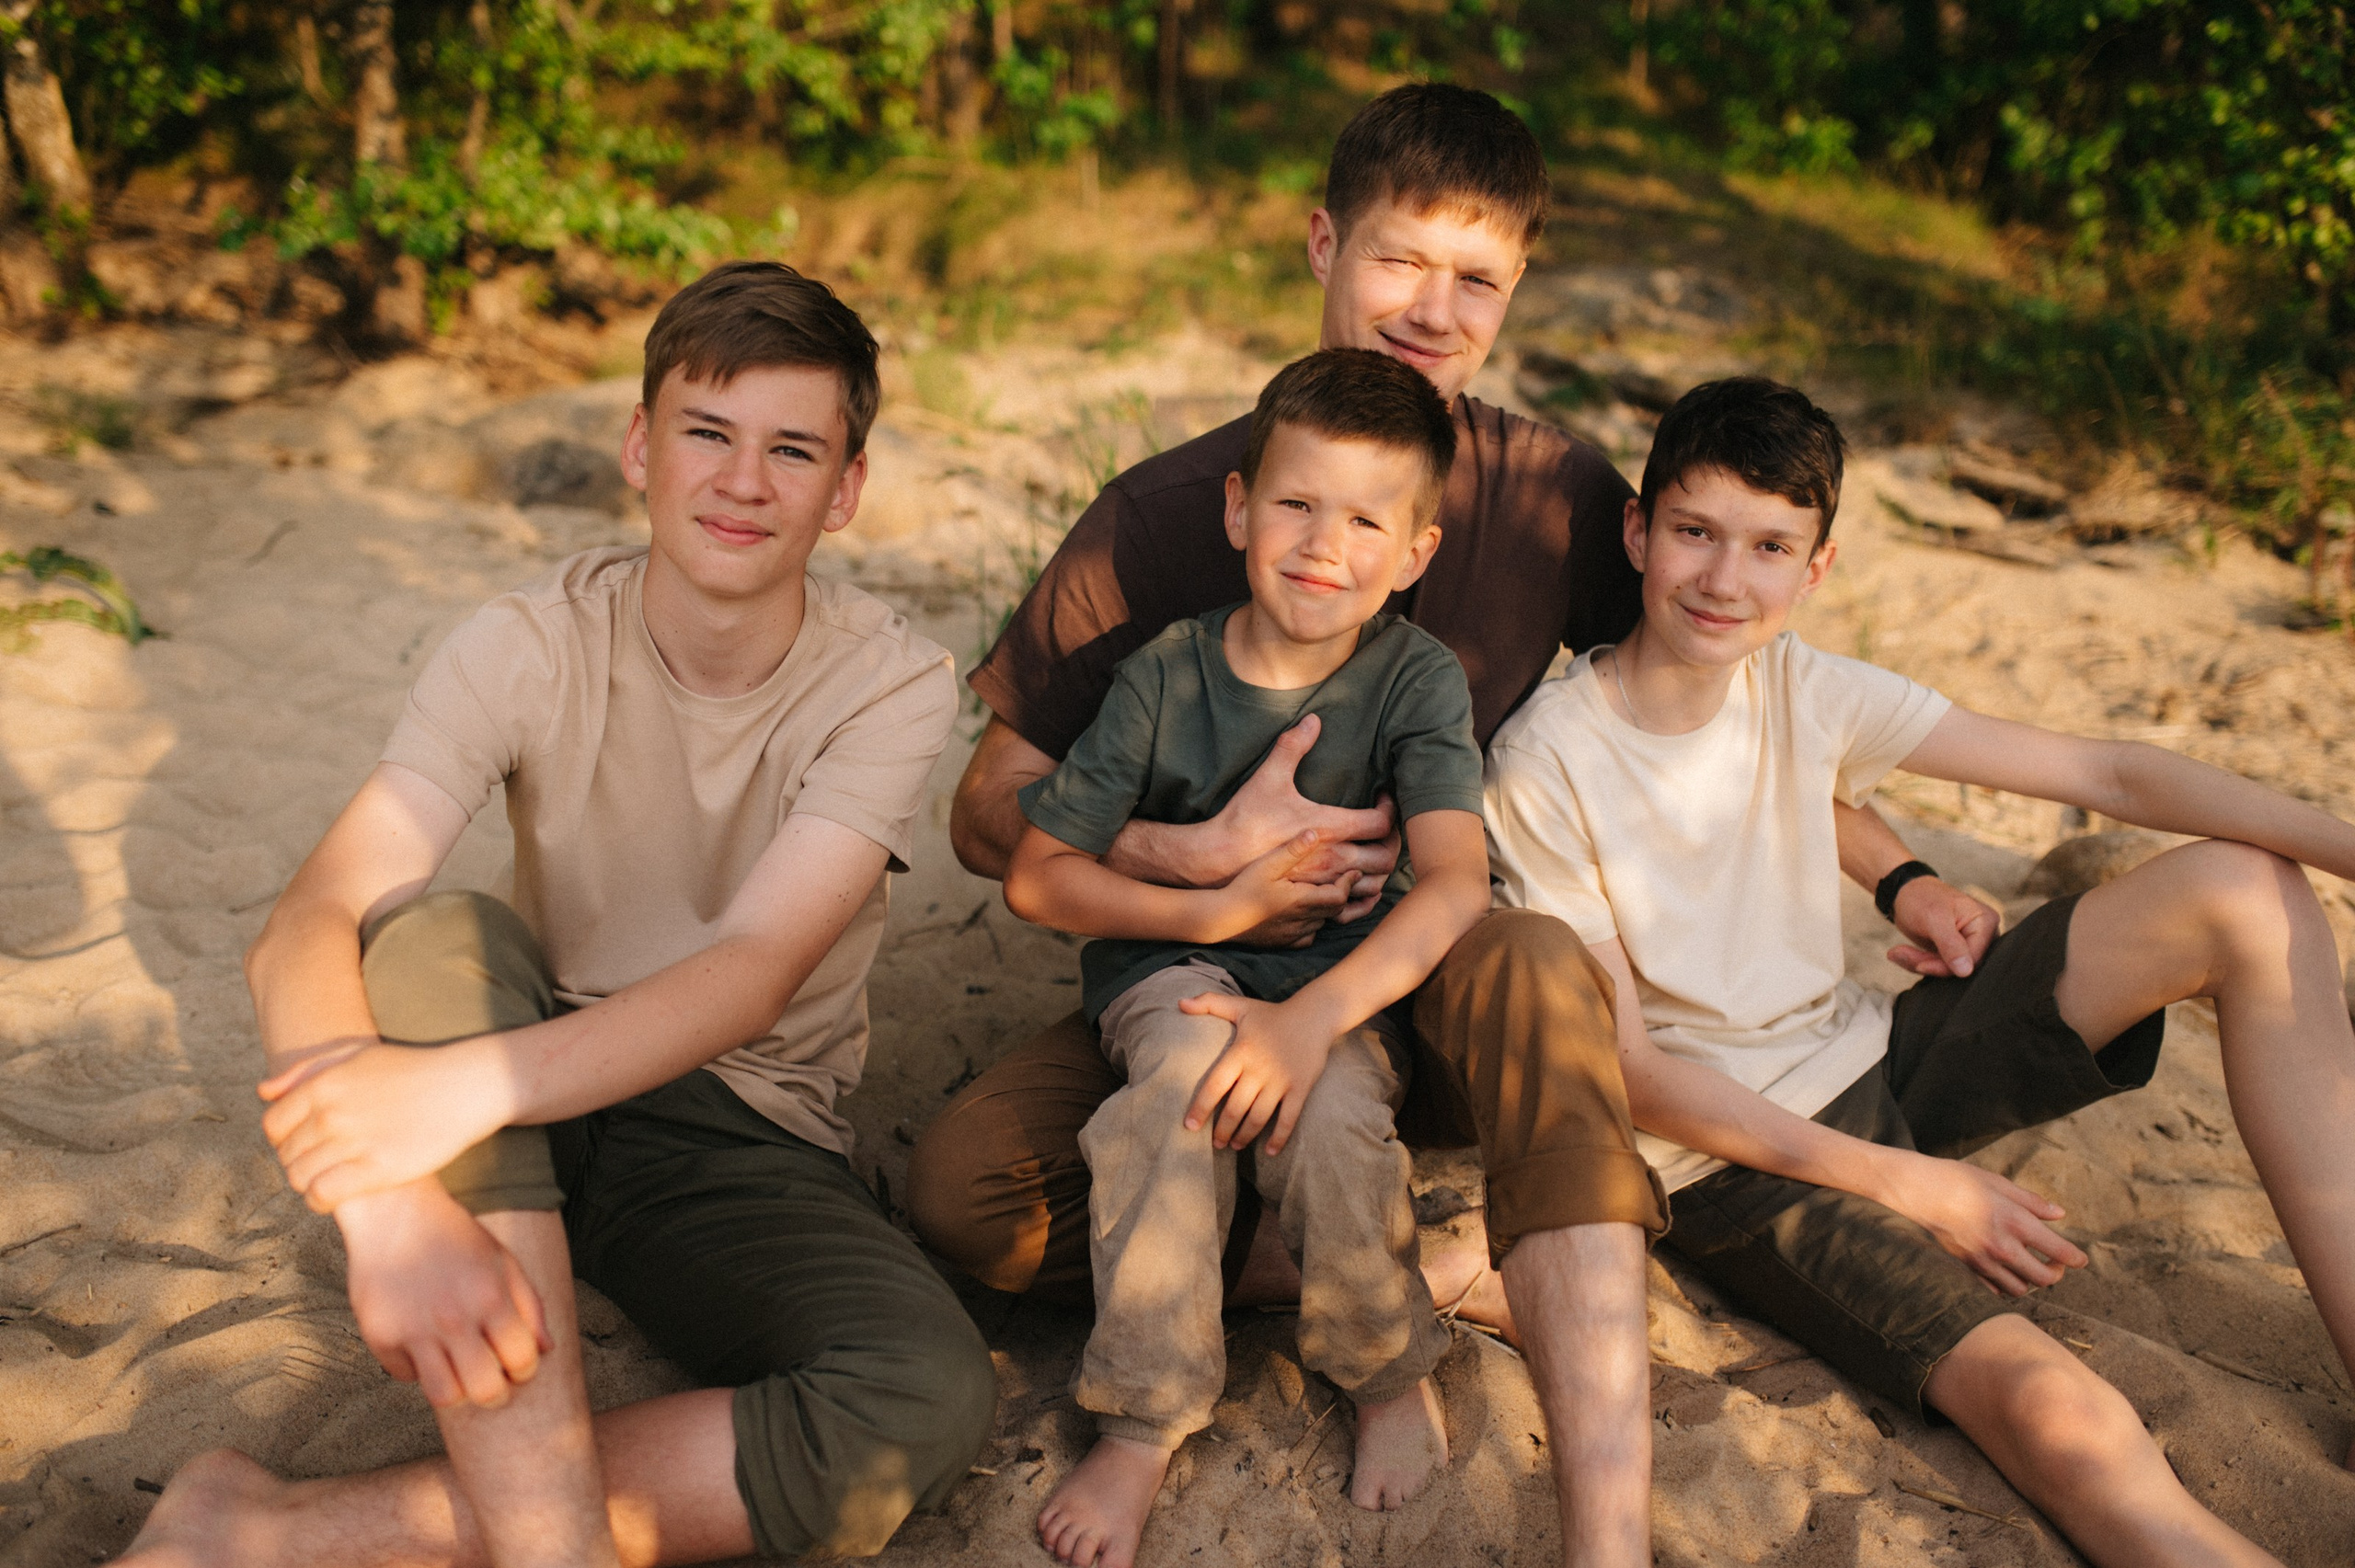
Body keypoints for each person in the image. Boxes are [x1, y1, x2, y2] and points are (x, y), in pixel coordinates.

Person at [906, 82, 1998, 1566]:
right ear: (1321, 246)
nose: (1433, 309)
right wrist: (1196, 861)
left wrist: (1900, 861)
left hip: (1437, 972)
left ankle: (1535, 1306)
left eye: (1476, 278)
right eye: (1401, 260)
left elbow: (1708, 672)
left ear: (1516, 292)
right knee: (967, 1196)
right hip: (1199, 969)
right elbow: (991, 813)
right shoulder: (1171, 516)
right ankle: (1371, 1257)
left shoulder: (1549, 494)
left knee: (1535, 954)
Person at [121, 260, 997, 1568]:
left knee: (927, 1392)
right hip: (521, 1108)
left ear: (846, 487)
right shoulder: (526, 642)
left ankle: (272, 1528)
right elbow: (308, 917)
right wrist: (393, 1205)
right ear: (641, 447)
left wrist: (458, 1090)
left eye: (792, 449)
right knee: (432, 937)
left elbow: (754, 972)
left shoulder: (890, 684)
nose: (743, 481)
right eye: (707, 432)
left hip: (734, 1124)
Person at [1483, 375, 2355, 1568]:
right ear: (1639, 533)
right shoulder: (1548, 758)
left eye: (1769, 546)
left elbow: (2114, 773)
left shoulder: (1800, 685)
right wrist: (1912, 1185)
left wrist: (2346, 844)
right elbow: (1635, 1080)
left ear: (1816, 569)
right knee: (2067, 1411)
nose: (1725, 579)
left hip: (1874, 1050)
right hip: (1735, 1164)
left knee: (2246, 890)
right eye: (1695, 532)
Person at [1004, 349, 1492, 1567]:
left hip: (1336, 1005)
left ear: (1415, 553)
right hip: (1168, 980)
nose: (1326, 542)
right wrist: (1218, 913)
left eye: (1368, 519)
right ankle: (1144, 1417)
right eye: (1295, 503)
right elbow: (1036, 874)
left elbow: (1456, 882)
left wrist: (1308, 1018)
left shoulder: (1414, 679)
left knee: (1329, 1124)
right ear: (1237, 509)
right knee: (1178, 1092)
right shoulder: (1165, 672)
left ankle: (1383, 1371)